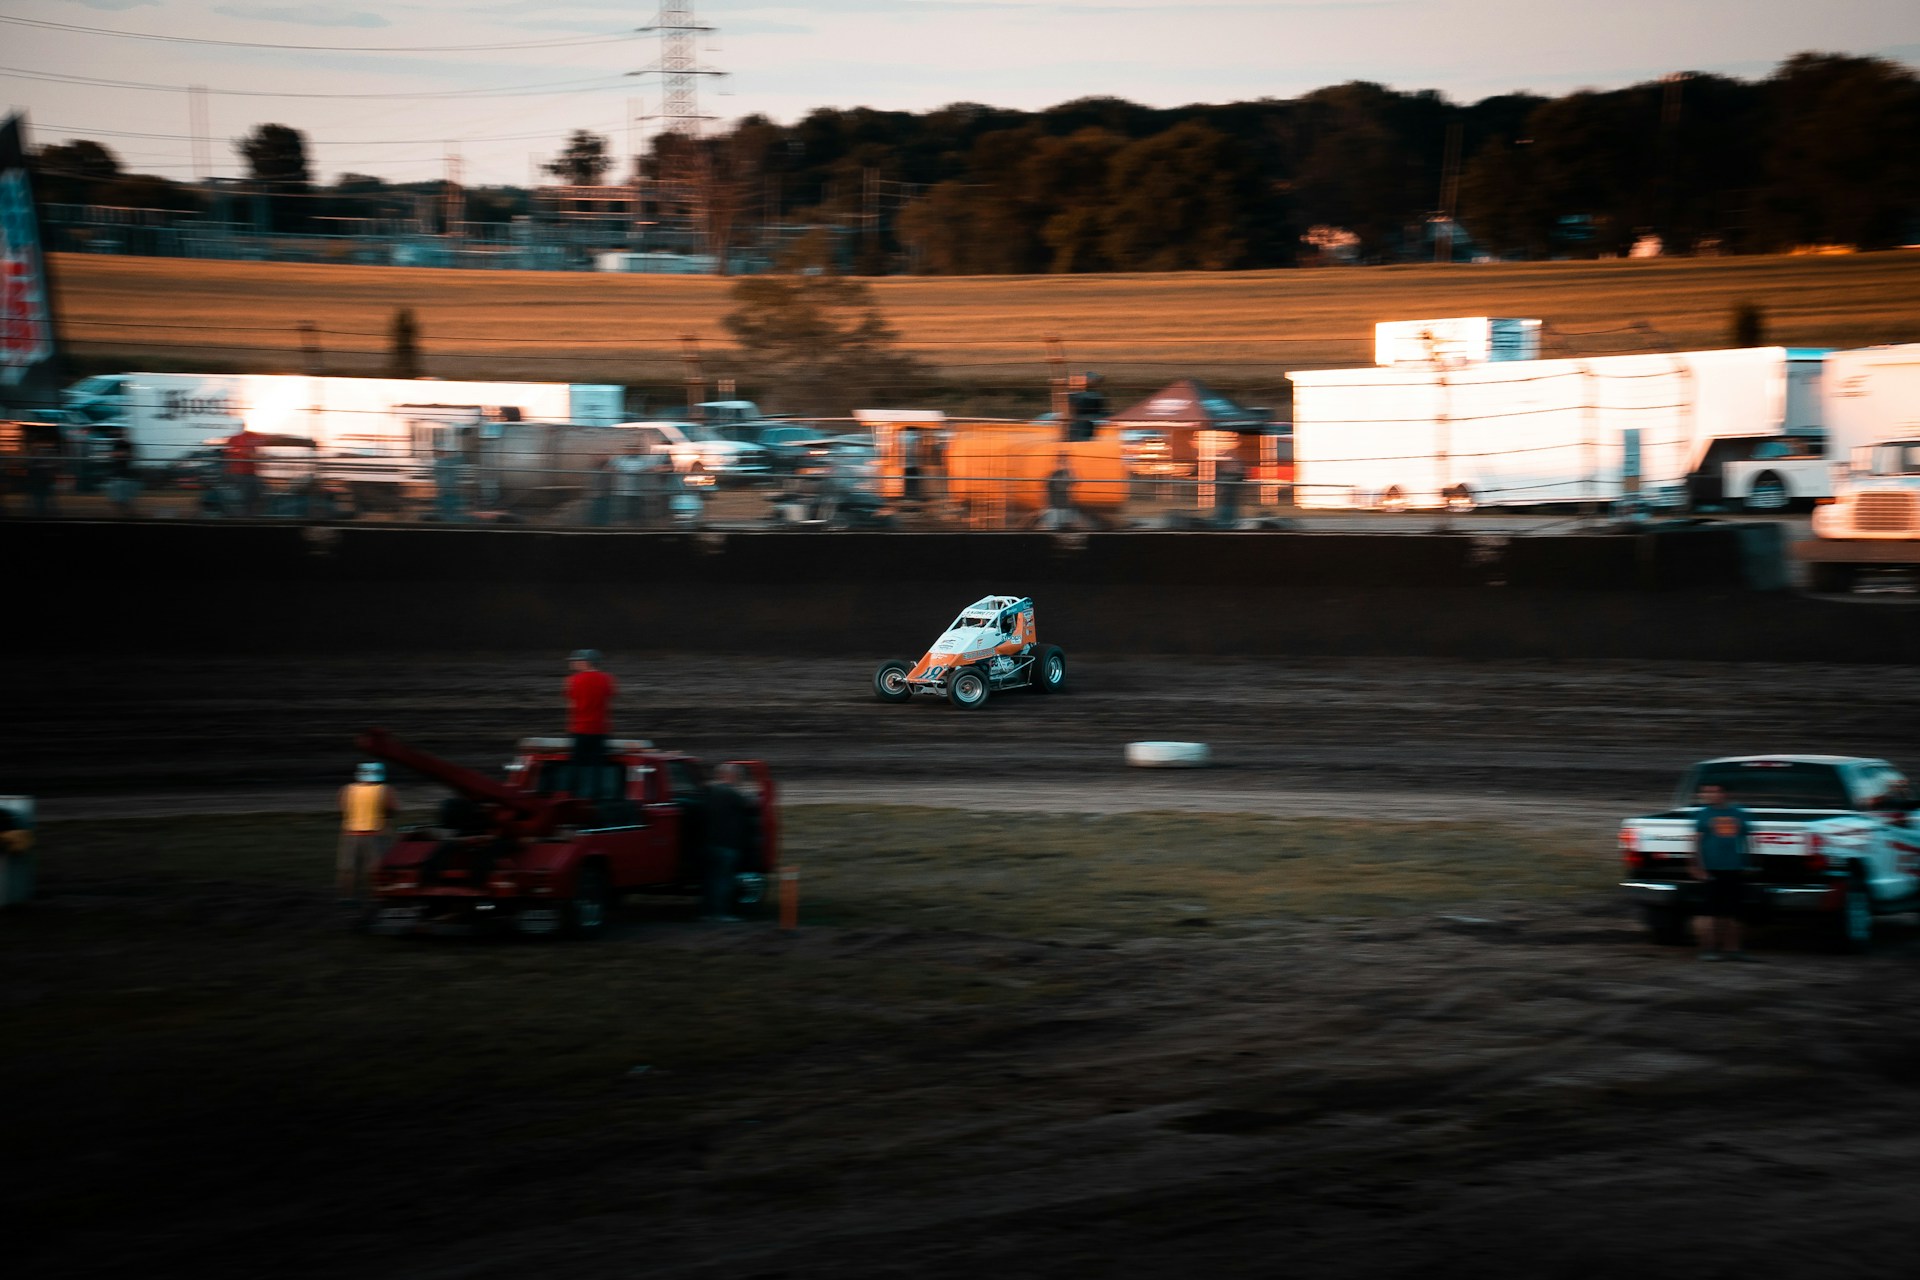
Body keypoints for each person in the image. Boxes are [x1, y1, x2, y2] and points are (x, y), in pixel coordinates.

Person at [1689, 781, 1754, 961]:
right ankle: (1708, 950)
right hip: (1711, 869)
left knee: (1734, 912)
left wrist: (1749, 862)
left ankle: (1733, 950)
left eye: (1713, 791)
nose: (1708, 795)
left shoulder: (1738, 813)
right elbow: (1695, 842)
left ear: (1724, 794)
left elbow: (1747, 838)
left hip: (1734, 869)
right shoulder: (1703, 815)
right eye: (1705, 792)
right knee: (1709, 912)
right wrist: (1695, 865)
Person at [701, 762, 761, 922]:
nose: (739, 779)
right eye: (738, 776)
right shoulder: (729, 793)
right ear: (729, 776)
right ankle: (721, 914)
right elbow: (751, 804)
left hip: (710, 843)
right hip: (727, 845)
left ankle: (707, 913)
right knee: (724, 881)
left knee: (710, 881)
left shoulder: (710, 792)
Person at [337, 761, 398, 901]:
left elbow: (342, 809)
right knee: (375, 869)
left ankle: (346, 898)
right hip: (376, 834)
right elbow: (393, 809)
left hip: (350, 833)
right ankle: (375, 897)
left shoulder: (347, 789)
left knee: (347, 869)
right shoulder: (385, 790)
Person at [565, 648, 617, 801]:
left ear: (585, 663)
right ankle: (595, 797)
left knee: (576, 764)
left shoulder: (573, 680)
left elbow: (571, 700)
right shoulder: (607, 679)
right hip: (600, 729)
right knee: (597, 765)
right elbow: (610, 695)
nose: (572, 664)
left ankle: (572, 795)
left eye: (575, 661)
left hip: (579, 728)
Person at [224, 427, 267, 516]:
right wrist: (255, 455)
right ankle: (245, 516)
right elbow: (241, 451)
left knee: (259, 492)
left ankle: (252, 514)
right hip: (240, 473)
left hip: (249, 473)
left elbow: (255, 450)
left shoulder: (250, 437)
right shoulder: (237, 438)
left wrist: (259, 455)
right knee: (246, 496)